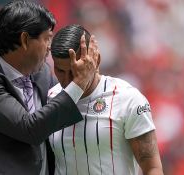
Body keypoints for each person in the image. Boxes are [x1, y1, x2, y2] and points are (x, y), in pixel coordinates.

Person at [0, 1, 99, 175]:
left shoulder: (43, 74)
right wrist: (79, 82)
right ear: (24, 40)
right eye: (47, 38)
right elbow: (30, 129)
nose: (50, 47)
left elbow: (62, 112)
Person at [48, 24, 164, 175]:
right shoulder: (49, 98)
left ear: (96, 61)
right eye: (60, 71)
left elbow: (152, 168)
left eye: (74, 70)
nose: (67, 80)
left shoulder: (128, 99)